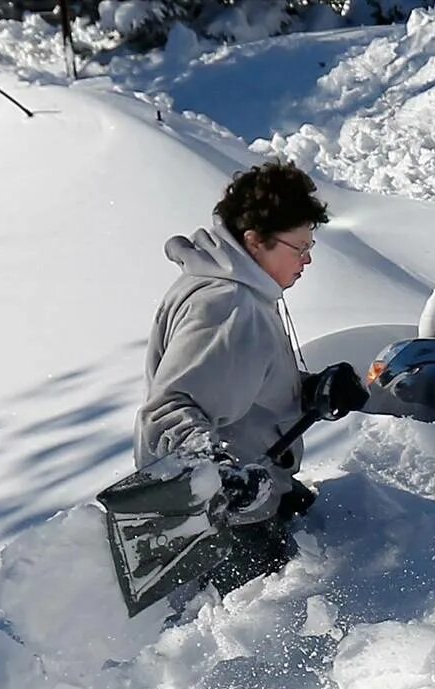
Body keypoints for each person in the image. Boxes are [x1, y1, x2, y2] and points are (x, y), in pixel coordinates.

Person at [136, 159, 328, 560]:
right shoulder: (227, 303)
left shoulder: (238, 290)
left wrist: (312, 390)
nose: (307, 260)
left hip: (256, 492)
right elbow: (169, 409)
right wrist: (221, 475)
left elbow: (237, 382)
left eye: (310, 247)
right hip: (227, 523)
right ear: (255, 240)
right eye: (300, 248)